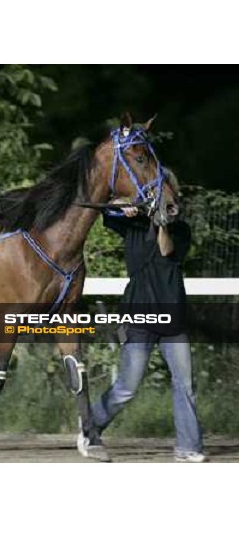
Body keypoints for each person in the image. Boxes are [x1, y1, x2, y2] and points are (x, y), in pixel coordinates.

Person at [84, 194, 206, 463]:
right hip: (137, 318)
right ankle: (88, 428)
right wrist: (122, 204)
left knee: (184, 383)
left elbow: (166, 250)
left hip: (173, 320)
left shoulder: (181, 230)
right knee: (127, 387)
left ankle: (188, 447)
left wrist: (161, 224)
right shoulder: (134, 226)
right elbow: (106, 210)